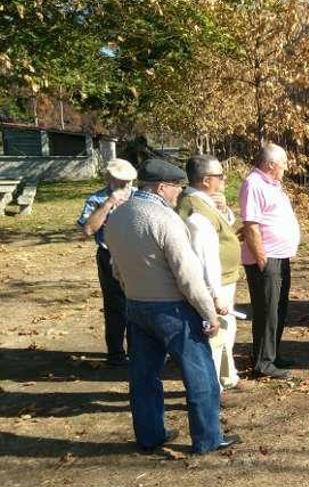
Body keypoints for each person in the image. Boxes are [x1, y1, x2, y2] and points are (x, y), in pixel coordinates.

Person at [104, 158, 240, 454]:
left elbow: (116, 269)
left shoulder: (116, 216)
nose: (179, 193)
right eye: (176, 188)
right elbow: (187, 274)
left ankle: (150, 435)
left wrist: (132, 292)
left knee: (143, 376)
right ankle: (207, 438)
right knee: (200, 374)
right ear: (162, 187)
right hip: (173, 310)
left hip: (136, 306)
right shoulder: (165, 220)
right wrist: (208, 313)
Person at [177, 154, 243, 391]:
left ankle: (228, 376)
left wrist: (223, 208)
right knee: (215, 334)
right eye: (220, 176)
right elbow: (205, 258)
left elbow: (224, 224)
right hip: (214, 283)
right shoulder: (195, 210)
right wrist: (214, 295)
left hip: (224, 278)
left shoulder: (204, 201)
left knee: (228, 329)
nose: (223, 179)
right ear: (206, 180)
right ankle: (213, 386)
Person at [239, 144, 301, 379]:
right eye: (283, 163)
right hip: (266, 259)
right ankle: (262, 363)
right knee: (267, 311)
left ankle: (272, 354)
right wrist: (262, 259)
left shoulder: (272, 184)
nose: (286, 167)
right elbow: (251, 226)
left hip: (280, 256)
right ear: (270, 164)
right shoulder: (253, 183)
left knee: (278, 309)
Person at [77, 158, 137, 366]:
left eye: (128, 181)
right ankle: (116, 354)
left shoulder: (139, 196)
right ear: (109, 179)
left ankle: (138, 351)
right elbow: (87, 229)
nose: (125, 186)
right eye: (121, 181)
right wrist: (109, 203)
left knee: (138, 303)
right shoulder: (97, 199)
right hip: (109, 256)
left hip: (137, 257)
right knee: (115, 306)